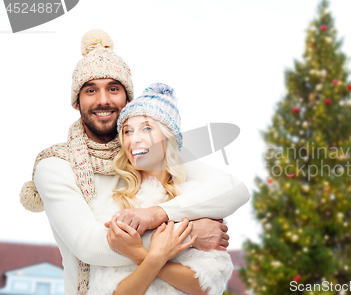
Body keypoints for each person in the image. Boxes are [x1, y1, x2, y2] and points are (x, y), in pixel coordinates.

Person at [19, 29, 250, 295]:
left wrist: (157, 215)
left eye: (113, 89)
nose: (103, 100)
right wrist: (190, 233)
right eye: (91, 90)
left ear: (127, 98)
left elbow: (233, 188)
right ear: (77, 101)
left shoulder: (147, 152)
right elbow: (89, 244)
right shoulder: (56, 165)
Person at [88, 83, 235, 295]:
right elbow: (110, 291)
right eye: (128, 131)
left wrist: (139, 254)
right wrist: (157, 255)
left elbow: (204, 285)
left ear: (168, 137)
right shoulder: (113, 203)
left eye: (147, 128)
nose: (134, 138)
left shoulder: (197, 200)